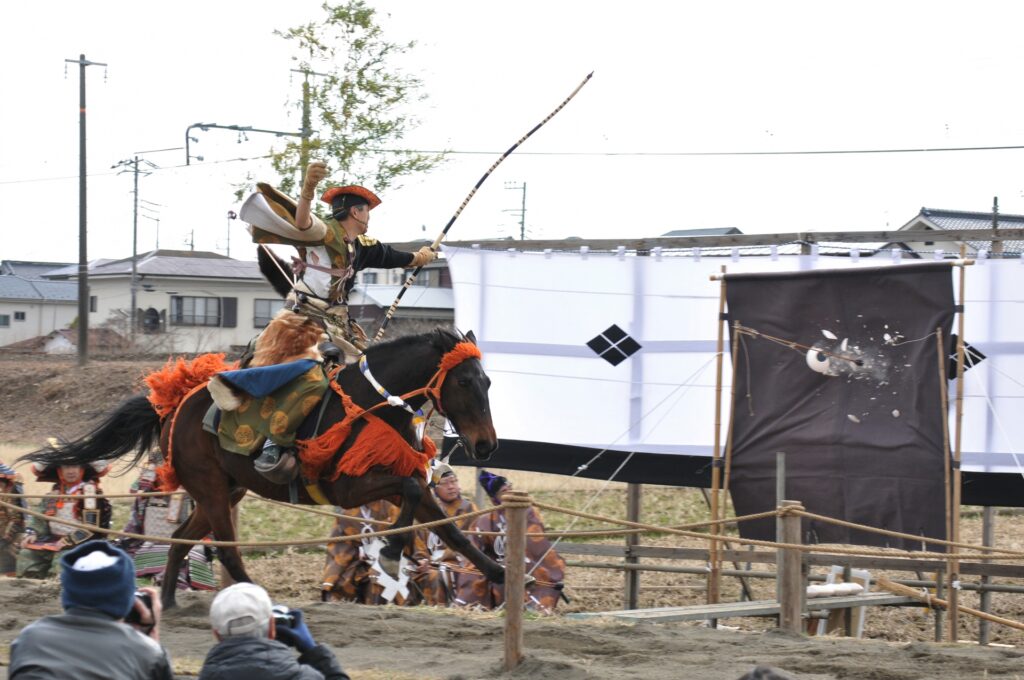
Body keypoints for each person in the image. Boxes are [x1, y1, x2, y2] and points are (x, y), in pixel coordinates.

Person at [8, 540, 174, 679]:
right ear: (129, 598)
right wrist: (152, 639)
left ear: (69, 591)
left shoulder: (30, 638)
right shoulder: (147, 653)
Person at [454, 471, 567, 614]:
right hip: (497, 563)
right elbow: (475, 548)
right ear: (495, 497)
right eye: (504, 491)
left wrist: (515, 559)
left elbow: (536, 542)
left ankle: (534, 608)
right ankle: (471, 608)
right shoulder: (485, 520)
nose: (510, 492)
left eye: (510, 487)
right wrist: (491, 565)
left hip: (529, 559)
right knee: (475, 572)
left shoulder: (529, 511)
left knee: (526, 571)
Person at [199, 581, 350, 680]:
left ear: (216, 634)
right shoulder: (304, 676)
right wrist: (314, 652)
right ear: (272, 628)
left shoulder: (207, 675)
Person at [118, 455, 217, 591]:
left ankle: (174, 581)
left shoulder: (192, 491)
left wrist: (210, 545)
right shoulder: (145, 493)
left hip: (188, 548)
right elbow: (134, 526)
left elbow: (206, 525)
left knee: (186, 559)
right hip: (150, 546)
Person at [16, 461, 112, 579]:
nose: (70, 471)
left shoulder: (89, 492)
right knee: (27, 555)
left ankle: (53, 592)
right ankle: (27, 590)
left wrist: (68, 541)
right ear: (60, 470)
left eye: (74, 466)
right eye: (66, 466)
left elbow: (90, 527)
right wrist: (32, 532)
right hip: (52, 540)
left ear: (82, 469)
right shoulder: (55, 492)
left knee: (61, 560)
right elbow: (40, 516)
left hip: (79, 543)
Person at [409, 463, 478, 606]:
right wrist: (421, 560)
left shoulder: (470, 510)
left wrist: (445, 557)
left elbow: (477, 541)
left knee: (440, 574)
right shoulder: (428, 511)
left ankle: (447, 610)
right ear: (435, 489)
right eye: (445, 483)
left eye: (453, 481)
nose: (451, 487)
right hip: (431, 564)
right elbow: (419, 541)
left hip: (460, 563)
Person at [320, 499, 411, 605]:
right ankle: (336, 605)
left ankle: (378, 611)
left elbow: (403, 539)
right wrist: (360, 551)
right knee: (340, 580)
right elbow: (339, 545)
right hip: (356, 561)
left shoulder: (391, 508)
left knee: (376, 577)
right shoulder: (347, 513)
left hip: (388, 561)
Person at [0, 460, 27, 576]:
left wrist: (4, 539)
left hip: (9, 535)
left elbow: (15, 519)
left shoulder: (10, 491)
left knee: (9, 551)